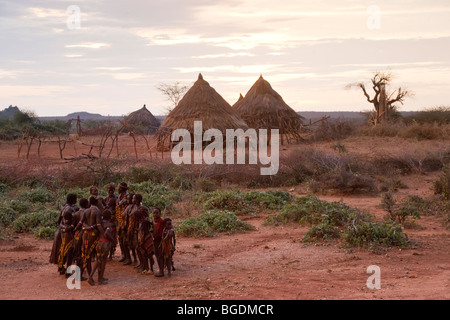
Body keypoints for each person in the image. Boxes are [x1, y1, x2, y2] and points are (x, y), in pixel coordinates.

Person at [88, 209, 116, 286]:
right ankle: (98, 278)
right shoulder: (108, 224)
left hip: (99, 242)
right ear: (110, 216)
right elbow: (107, 233)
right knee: (103, 261)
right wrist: (112, 239)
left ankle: (98, 277)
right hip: (105, 244)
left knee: (98, 260)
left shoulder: (100, 223)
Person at [49, 193, 78, 266]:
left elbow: (59, 221)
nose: (76, 201)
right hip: (69, 233)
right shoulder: (70, 209)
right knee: (69, 251)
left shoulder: (64, 207)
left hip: (63, 232)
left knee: (62, 250)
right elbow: (72, 223)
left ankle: (60, 267)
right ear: (73, 200)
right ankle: (67, 271)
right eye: (75, 199)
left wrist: (62, 228)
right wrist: (68, 228)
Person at [80, 196, 104, 281]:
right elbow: (98, 225)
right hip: (93, 235)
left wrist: (87, 227)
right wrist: (104, 234)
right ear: (97, 202)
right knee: (96, 255)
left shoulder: (86, 211)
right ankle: (94, 277)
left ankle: (83, 275)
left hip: (85, 234)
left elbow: (81, 223)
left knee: (85, 254)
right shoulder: (97, 211)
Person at [128, 194, 149, 272]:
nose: (132, 199)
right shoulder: (133, 207)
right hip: (135, 230)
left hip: (141, 231)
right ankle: (141, 264)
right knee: (137, 248)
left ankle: (145, 266)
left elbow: (147, 219)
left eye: (133, 198)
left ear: (137, 200)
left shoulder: (143, 209)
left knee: (141, 248)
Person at [57, 207, 75, 277]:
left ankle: (60, 267)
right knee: (69, 254)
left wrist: (64, 228)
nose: (67, 220)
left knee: (62, 252)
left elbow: (60, 224)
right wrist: (67, 229)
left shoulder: (63, 222)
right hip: (69, 238)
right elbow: (73, 227)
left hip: (63, 236)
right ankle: (68, 272)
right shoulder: (72, 220)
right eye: (66, 219)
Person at [72, 198, 89, 270]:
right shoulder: (87, 212)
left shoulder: (76, 213)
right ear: (86, 204)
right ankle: (81, 271)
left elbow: (74, 224)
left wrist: (75, 229)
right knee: (84, 252)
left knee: (77, 251)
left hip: (77, 234)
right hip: (85, 233)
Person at [121, 193, 136, 266]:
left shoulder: (132, 207)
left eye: (128, 199)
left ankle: (132, 259)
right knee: (126, 243)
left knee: (130, 244)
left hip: (129, 228)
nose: (127, 200)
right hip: (126, 228)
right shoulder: (127, 206)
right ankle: (129, 258)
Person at [103, 184, 117, 260]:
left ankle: (111, 254)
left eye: (112, 190)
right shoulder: (105, 199)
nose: (110, 191)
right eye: (109, 190)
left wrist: (112, 213)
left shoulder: (116, 199)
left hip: (113, 220)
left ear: (114, 190)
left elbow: (117, 209)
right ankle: (107, 253)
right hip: (107, 220)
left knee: (112, 237)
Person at [115, 182, 128, 262]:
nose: (118, 189)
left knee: (124, 239)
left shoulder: (126, 197)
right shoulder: (119, 196)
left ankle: (127, 255)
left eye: (119, 188)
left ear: (122, 188)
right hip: (118, 220)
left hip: (124, 220)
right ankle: (123, 254)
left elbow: (120, 205)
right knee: (120, 238)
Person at [152, 207, 165, 277]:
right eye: (154, 213)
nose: (155, 214)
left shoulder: (161, 222)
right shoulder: (154, 221)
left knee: (160, 256)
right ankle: (160, 269)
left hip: (160, 241)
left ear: (160, 213)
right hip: (155, 241)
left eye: (157, 213)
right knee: (157, 255)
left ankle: (162, 271)